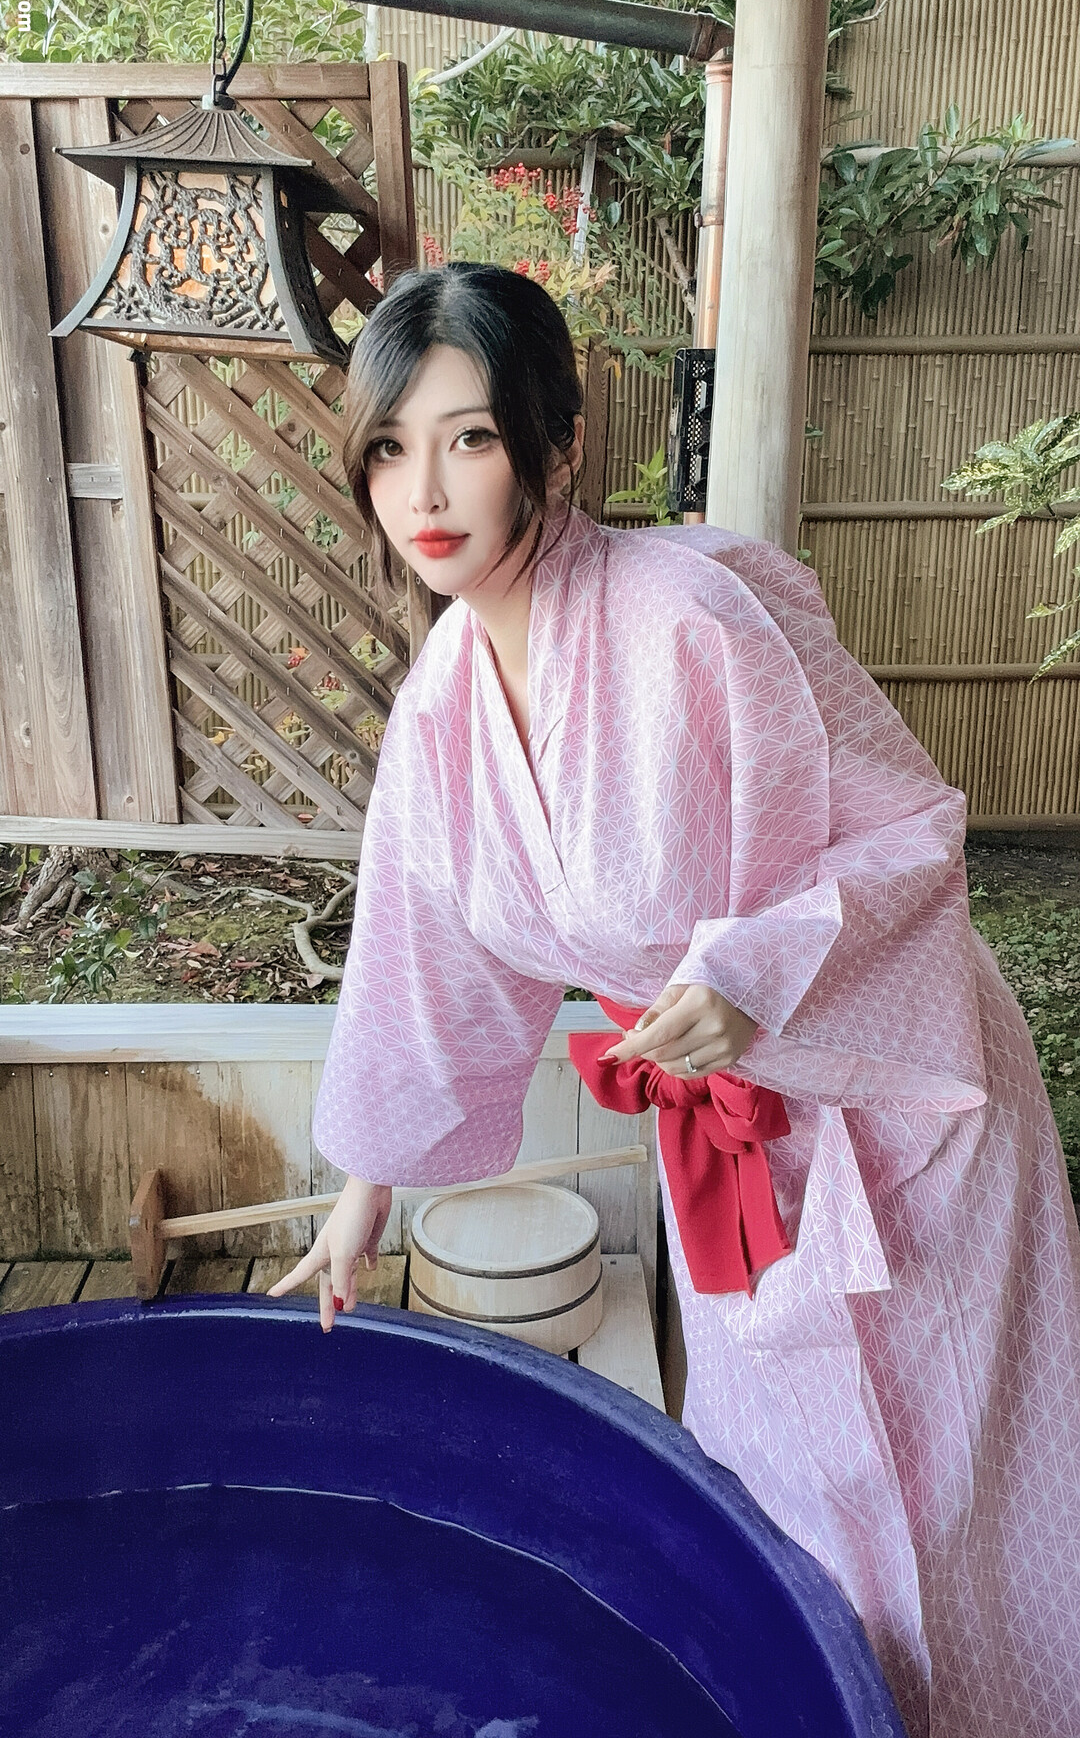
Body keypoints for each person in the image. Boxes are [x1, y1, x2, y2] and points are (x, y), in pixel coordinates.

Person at [269, 263, 1080, 1738]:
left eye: (471, 438)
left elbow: (908, 831)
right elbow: (422, 953)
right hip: (723, 1139)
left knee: (957, 1502)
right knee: (793, 1497)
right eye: (390, 447)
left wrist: (748, 974)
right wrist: (364, 1188)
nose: (423, 492)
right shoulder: (445, 700)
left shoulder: (692, 613)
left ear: (558, 444)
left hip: (890, 1099)